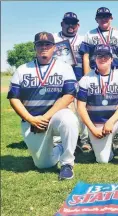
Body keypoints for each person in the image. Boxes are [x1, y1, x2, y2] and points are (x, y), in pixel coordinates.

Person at [7, 32, 79, 180]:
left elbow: (69, 96)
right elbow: (14, 98)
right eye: (40, 44)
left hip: (54, 116)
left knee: (69, 119)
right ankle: (59, 147)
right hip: (32, 120)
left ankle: (67, 163)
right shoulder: (22, 69)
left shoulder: (64, 67)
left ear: (54, 48)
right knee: (43, 165)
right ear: (35, 47)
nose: (44, 47)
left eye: (48, 44)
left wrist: (45, 118)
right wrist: (30, 119)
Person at [53, 12, 91, 152]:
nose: (71, 26)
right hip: (60, 81)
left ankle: (84, 139)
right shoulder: (54, 37)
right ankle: (59, 139)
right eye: (67, 22)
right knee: (61, 109)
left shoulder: (83, 39)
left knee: (82, 110)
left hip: (79, 79)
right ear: (62, 24)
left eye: (73, 23)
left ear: (78, 25)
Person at [79, 7, 118, 75]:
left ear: (111, 18)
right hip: (95, 72)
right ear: (96, 19)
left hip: (115, 72)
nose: (103, 19)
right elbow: (86, 57)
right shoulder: (89, 34)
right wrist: (87, 75)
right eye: (100, 17)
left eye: (106, 17)